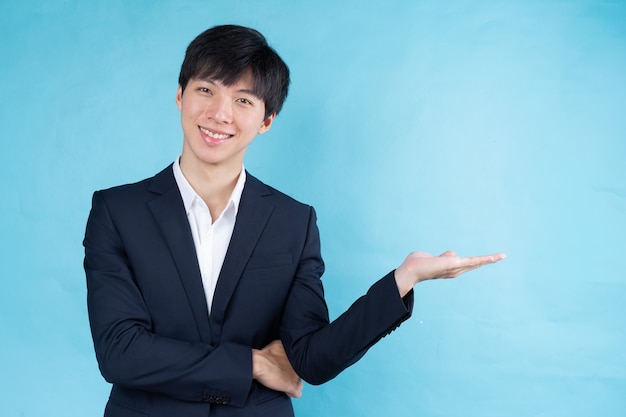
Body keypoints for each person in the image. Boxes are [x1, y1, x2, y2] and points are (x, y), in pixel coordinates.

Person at [83, 24, 505, 417]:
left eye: (243, 100)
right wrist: (251, 362)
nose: (219, 113)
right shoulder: (117, 211)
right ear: (180, 95)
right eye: (206, 90)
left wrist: (401, 281)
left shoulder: (293, 222)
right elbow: (121, 352)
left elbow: (311, 359)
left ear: (266, 120)